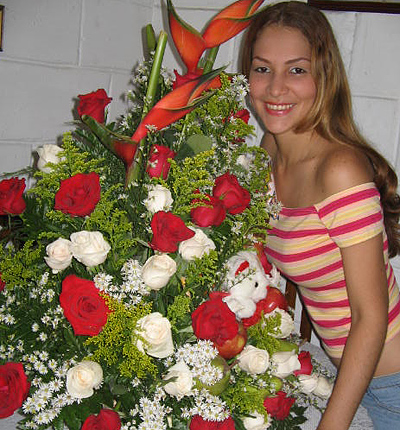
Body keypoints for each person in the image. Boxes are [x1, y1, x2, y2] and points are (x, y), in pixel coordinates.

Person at [241, 2, 400, 429]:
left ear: (323, 76)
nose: (275, 88)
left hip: (393, 386)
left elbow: (371, 315)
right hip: (351, 374)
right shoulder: (270, 150)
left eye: (296, 70)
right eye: (261, 68)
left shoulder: (339, 169)